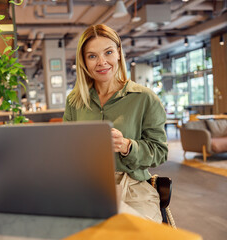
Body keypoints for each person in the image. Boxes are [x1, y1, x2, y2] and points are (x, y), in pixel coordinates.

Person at [63, 24, 168, 223]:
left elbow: (160, 152)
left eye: (108, 52)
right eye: (92, 56)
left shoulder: (144, 98)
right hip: (88, 187)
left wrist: (128, 146)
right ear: (84, 61)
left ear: (119, 53)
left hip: (133, 187)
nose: (102, 62)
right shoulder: (74, 101)